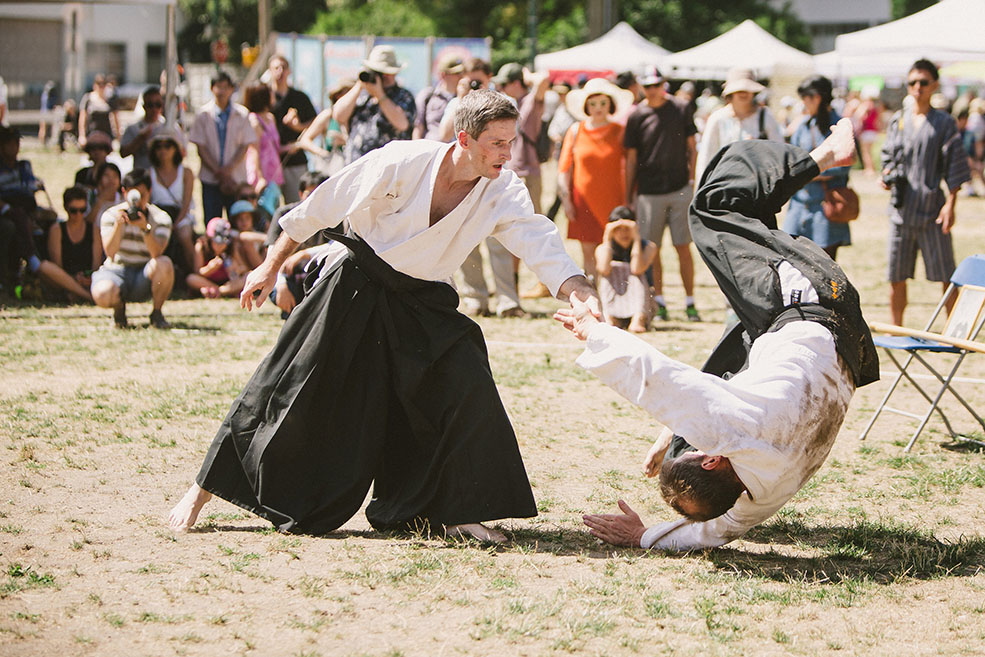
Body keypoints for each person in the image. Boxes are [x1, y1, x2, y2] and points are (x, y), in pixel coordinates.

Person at [167, 89, 599, 544]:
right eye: (496, 143)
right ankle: (202, 490)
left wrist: (579, 289)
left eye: (510, 142)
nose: (506, 153)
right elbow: (321, 205)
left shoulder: (503, 188)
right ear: (464, 139)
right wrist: (270, 265)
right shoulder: (401, 162)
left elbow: (538, 241)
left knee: (465, 380)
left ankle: (456, 511)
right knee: (291, 387)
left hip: (425, 299)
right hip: (356, 283)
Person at [558, 119, 880, 551]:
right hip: (807, 298)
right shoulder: (730, 424)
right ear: (710, 457)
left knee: (745, 259)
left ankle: (777, 189)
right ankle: (821, 158)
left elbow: (714, 531)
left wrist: (644, 536)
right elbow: (654, 378)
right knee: (713, 208)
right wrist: (592, 330)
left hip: (839, 342)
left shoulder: (764, 493)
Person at [880, 59, 971, 326]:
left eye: (923, 82)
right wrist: (885, 176)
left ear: (934, 85)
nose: (917, 87)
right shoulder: (898, 120)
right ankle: (896, 329)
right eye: (912, 82)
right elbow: (888, 159)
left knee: (946, 274)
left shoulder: (944, 123)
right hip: (901, 210)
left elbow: (955, 164)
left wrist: (951, 203)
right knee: (896, 275)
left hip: (932, 209)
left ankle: (955, 333)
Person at [624, 67, 700, 323]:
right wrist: (628, 195)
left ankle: (690, 302)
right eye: (647, 86)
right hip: (648, 191)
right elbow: (631, 160)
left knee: (683, 247)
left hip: (680, 188)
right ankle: (659, 301)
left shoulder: (680, 108)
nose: (652, 90)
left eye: (656, 85)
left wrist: (692, 181)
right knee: (651, 250)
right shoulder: (637, 116)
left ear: (664, 84)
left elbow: (692, 147)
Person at [558, 78, 634, 280]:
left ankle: (616, 297)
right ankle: (593, 296)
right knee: (588, 252)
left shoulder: (620, 131)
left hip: (614, 200)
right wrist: (566, 200)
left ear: (611, 104)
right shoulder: (575, 131)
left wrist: (629, 200)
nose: (598, 108)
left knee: (615, 250)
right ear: (586, 106)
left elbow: (629, 167)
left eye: (603, 103)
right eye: (593, 103)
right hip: (583, 200)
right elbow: (564, 169)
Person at [492, 63, 551, 304]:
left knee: (534, 230)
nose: (501, 89)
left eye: (504, 84)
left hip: (527, 172)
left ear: (516, 83)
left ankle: (545, 282)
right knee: (511, 231)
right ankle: (514, 283)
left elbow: (545, 78)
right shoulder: (512, 105)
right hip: (514, 172)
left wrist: (528, 75)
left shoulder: (531, 101)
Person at [90, 168, 174, 329]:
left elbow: (157, 252)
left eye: (142, 196)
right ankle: (119, 310)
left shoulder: (161, 218)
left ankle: (157, 313)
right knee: (102, 293)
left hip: (144, 274)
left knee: (164, 264)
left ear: (150, 192)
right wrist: (118, 226)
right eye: (134, 196)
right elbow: (110, 252)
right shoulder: (110, 215)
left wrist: (145, 229)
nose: (138, 202)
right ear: (124, 192)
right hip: (117, 271)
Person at [782, 75, 854, 262]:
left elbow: (845, 163)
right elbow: (793, 161)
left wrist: (812, 172)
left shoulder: (840, 126)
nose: (803, 103)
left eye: (805, 97)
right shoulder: (803, 126)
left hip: (826, 206)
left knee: (826, 267)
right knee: (795, 264)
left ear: (817, 97)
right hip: (800, 206)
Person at [189, 71, 258, 223]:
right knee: (212, 221)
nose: (221, 91)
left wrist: (229, 169)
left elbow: (244, 145)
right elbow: (201, 147)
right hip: (211, 178)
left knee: (237, 221)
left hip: (235, 178)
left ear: (232, 89)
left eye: (225, 87)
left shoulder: (242, 114)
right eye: (218, 87)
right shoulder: (203, 115)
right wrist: (218, 171)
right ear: (212, 88)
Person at [695, 68, 783, 184]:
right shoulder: (717, 118)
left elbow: (779, 151)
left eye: (747, 89)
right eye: (738, 90)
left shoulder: (765, 116)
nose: (743, 93)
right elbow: (706, 157)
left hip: (758, 184)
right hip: (726, 183)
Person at [333, 45, 416, 165]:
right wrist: (359, 86)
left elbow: (402, 124)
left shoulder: (403, 96)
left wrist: (380, 95)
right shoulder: (362, 95)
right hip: (357, 166)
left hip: (388, 169)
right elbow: (338, 116)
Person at [264, 171, 331, 318]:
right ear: (300, 193)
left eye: (318, 193)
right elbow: (271, 252)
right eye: (309, 193)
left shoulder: (332, 216)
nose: (313, 199)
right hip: (287, 276)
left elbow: (335, 246)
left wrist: (304, 254)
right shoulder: (284, 214)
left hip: (317, 274)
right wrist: (281, 285)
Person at [595, 206, 656, 333]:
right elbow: (604, 269)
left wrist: (636, 239)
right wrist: (607, 237)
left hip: (642, 304)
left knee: (634, 275)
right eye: (618, 229)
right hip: (613, 301)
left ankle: (639, 318)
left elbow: (637, 269)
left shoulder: (649, 247)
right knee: (610, 272)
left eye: (627, 229)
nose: (623, 233)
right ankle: (609, 316)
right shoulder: (603, 248)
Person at [267, 54, 317, 204]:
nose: (280, 71)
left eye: (284, 68)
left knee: (296, 207)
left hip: (295, 161)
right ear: (269, 71)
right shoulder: (264, 97)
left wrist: (298, 128)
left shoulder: (299, 97)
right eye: (276, 68)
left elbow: (316, 123)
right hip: (269, 163)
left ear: (289, 71)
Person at [38, 186, 102, 302]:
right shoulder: (57, 230)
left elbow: (96, 265)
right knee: (44, 267)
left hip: (88, 279)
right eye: (74, 210)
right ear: (66, 208)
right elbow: (57, 266)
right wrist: (74, 278)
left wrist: (89, 278)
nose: (78, 215)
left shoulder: (94, 230)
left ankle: (77, 295)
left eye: (82, 210)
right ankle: (88, 297)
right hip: (64, 279)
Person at [148, 128, 196, 273]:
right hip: (157, 216)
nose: (163, 151)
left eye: (168, 146)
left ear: (175, 149)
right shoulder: (149, 173)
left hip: (180, 215)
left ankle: (195, 273)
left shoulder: (186, 172)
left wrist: (175, 224)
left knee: (185, 235)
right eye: (159, 147)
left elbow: (186, 203)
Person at [0, 126, 44, 285]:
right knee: (16, 220)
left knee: (46, 220)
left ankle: (41, 271)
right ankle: (32, 260)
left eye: (16, 143)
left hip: (26, 207)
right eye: (9, 143)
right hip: (6, 208)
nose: (14, 147)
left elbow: (31, 188)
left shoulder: (24, 166)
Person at [243, 82, 285, 214]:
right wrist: (260, 177)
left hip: (274, 170)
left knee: (274, 207)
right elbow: (254, 150)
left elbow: (274, 145)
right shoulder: (254, 121)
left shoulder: (270, 118)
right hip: (261, 170)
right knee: (263, 210)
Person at [185, 217, 252, 298]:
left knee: (249, 275)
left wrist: (236, 270)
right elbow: (197, 272)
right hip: (207, 281)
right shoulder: (201, 247)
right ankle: (220, 291)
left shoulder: (231, 247)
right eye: (217, 242)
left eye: (223, 243)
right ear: (209, 238)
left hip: (228, 282)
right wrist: (209, 268)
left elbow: (244, 268)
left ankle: (219, 292)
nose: (220, 246)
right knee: (191, 279)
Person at [120, 86, 172, 171]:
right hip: (142, 175)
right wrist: (140, 139)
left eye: (158, 105)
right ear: (144, 106)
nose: (154, 109)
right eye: (150, 105)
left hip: (162, 176)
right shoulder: (134, 128)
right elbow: (123, 153)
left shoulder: (169, 128)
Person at [414, 55, 464, 141]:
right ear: (443, 75)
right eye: (456, 73)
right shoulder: (428, 96)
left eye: (463, 73)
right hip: (432, 149)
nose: (461, 76)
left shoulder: (466, 98)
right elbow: (418, 127)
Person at [78, 75, 119, 146]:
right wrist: (82, 135)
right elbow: (82, 118)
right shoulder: (88, 98)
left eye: (103, 85)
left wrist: (118, 136)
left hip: (106, 134)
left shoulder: (110, 100)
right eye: (99, 85)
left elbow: (115, 118)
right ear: (95, 86)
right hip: (92, 133)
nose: (101, 87)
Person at [854, 86, 883, 177]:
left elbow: (858, 116)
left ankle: (869, 169)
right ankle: (871, 169)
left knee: (866, 152)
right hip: (873, 132)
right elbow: (879, 121)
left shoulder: (865, 106)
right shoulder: (876, 107)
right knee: (870, 152)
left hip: (866, 132)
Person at [85, 161, 122, 227]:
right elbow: (86, 223)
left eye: (114, 176)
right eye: (106, 175)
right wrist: (100, 201)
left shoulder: (123, 199)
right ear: (99, 179)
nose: (111, 180)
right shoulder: (90, 196)